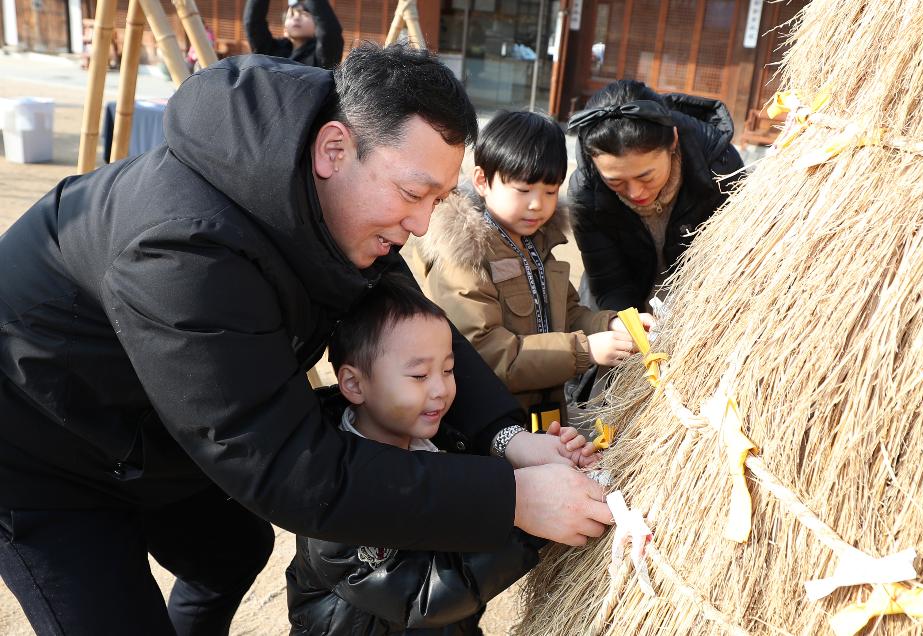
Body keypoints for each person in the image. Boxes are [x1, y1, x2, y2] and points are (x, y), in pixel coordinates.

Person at [0, 44, 611, 635]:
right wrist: (510, 499)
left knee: (231, 550)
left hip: (160, 422)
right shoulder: (182, 252)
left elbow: (412, 320)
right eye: (412, 193)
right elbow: (286, 468)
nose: (423, 224)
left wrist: (505, 438)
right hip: (43, 443)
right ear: (334, 149)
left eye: (438, 199)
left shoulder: (330, 198)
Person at [286, 273, 592, 635]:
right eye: (419, 376)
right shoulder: (334, 500)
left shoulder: (438, 438)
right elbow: (421, 598)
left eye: (447, 370)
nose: (441, 389)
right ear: (354, 384)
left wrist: (546, 463)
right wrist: (533, 520)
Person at [414, 111, 642, 430]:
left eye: (550, 192)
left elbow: (570, 312)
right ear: (482, 181)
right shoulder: (463, 254)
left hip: (542, 420)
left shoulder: (538, 244)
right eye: (523, 190)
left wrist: (614, 324)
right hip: (489, 426)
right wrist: (585, 349)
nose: (537, 204)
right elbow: (487, 353)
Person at [566, 79, 745, 312]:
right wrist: (625, 322)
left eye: (646, 177)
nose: (635, 192)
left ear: (673, 141)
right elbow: (608, 280)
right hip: (617, 294)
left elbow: (728, 265)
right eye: (615, 181)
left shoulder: (720, 167)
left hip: (696, 299)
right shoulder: (586, 190)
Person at [244, 0, 343, 69]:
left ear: (317, 26)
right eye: (291, 14)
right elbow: (253, 23)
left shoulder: (322, 56)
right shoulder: (270, 49)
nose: (296, 18)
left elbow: (330, 31)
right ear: (284, 28)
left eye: (304, 14)